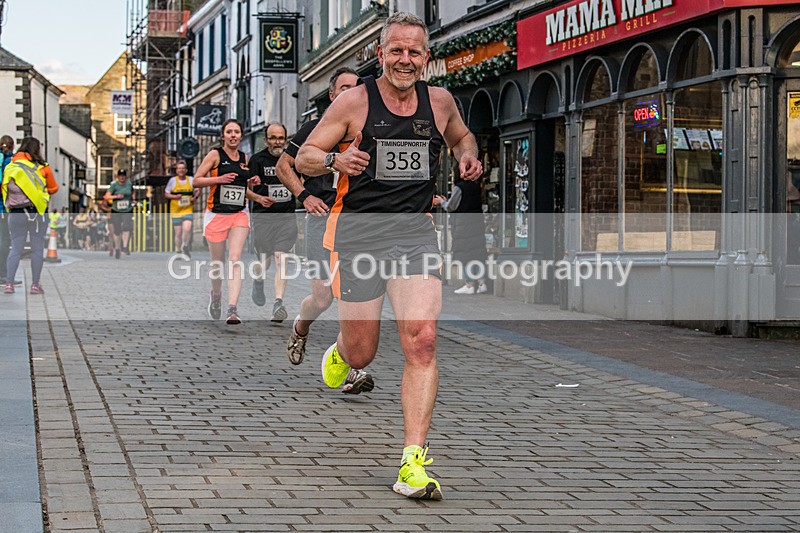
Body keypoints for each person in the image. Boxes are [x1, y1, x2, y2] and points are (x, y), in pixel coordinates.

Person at [295, 12, 482, 500]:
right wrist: (336, 159)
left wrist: (465, 154)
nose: (405, 59)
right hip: (358, 236)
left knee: (421, 340)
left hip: (414, 234)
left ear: (426, 57)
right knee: (363, 352)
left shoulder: (439, 102)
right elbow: (305, 156)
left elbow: (462, 135)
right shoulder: (353, 102)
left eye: (414, 51)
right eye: (395, 50)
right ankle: (341, 352)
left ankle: (412, 463)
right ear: (381, 55)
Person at [276, 67, 364, 372]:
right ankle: (301, 327)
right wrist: (305, 196)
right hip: (321, 218)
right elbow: (283, 166)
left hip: (354, 220)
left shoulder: (368, 129)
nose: (351, 92)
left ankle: (353, 366)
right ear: (332, 94)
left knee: (353, 293)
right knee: (323, 296)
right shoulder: (315, 128)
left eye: (356, 87)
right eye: (344, 88)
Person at [193, 118, 266, 324]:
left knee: (235, 259)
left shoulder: (245, 158)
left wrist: (253, 186)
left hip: (239, 213)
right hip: (216, 213)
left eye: (236, 132)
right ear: (223, 135)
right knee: (218, 263)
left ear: (241, 135)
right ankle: (216, 295)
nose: (233, 135)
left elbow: (243, 188)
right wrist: (218, 179)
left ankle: (232, 309)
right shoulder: (215, 155)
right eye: (229, 132)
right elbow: (196, 180)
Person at [248, 123, 297, 322]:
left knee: (281, 257)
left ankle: (279, 303)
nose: (277, 142)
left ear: (286, 139)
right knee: (265, 260)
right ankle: (258, 280)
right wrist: (258, 198)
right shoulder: (257, 160)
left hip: (286, 217)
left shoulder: (292, 159)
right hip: (263, 218)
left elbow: (301, 182)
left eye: (281, 138)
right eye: (273, 137)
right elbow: (243, 188)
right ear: (266, 139)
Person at [1, 137, 59, 294]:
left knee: (16, 249)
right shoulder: (42, 168)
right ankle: (35, 285)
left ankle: (9, 284)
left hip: (15, 213)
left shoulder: (10, 167)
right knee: (37, 249)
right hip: (37, 213)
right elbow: (53, 189)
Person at [443, 178, 488, 294]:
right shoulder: (476, 186)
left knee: (465, 253)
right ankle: (482, 283)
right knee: (477, 252)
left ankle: (469, 284)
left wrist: (442, 202)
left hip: (464, 223)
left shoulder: (459, 188)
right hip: (476, 222)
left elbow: (451, 206)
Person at [164, 160, 198, 257]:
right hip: (176, 210)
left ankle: (185, 246)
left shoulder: (191, 179)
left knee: (187, 228)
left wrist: (195, 197)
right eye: (179, 168)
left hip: (188, 209)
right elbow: (166, 194)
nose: (181, 170)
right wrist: (175, 197)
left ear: (186, 170)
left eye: (183, 168)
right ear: (176, 170)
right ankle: (178, 250)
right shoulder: (172, 181)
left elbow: (198, 190)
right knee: (178, 232)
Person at [0, 135, 21, 286]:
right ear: (12, 146)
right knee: (5, 240)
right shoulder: (11, 162)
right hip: (5, 207)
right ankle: (3, 274)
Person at [104, 169, 135, 259]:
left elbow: (133, 192)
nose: (122, 177)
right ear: (118, 177)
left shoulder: (129, 184)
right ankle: (117, 248)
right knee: (117, 230)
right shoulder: (114, 186)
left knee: (126, 226)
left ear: (125, 176)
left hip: (127, 209)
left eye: (123, 175)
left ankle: (124, 247)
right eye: (120, 176)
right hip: (116, 210)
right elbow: (106, 196)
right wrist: (116, 196)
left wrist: (134, 200)